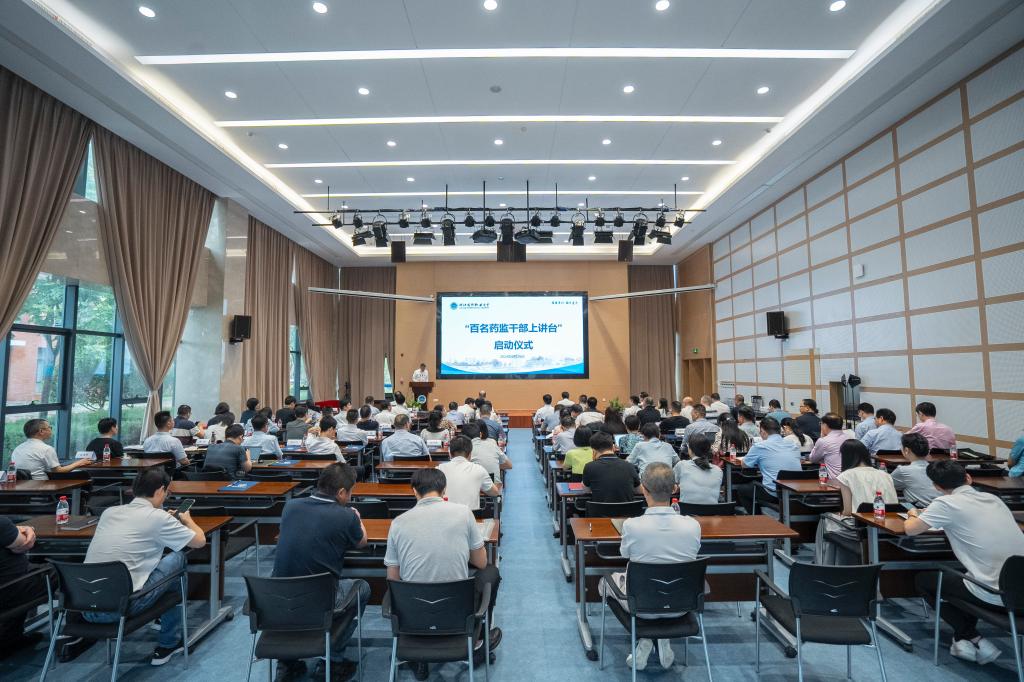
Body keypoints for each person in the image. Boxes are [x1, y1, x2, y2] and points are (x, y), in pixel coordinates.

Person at [384, 468, 501, 679]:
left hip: (413, 615)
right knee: (490, 573)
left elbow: (393, 578)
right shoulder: (463, 513)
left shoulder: (398, 522)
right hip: (457, 611)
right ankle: (477, 640)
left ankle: (419, 656)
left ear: (414, 491)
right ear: (444, 489)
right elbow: (481, 562)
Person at [83, 467, 206, 665]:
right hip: (123, 607)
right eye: (167, 492)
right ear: (160, 490)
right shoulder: (159, 518)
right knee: (177, 558)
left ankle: (162, 618)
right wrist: (186, 519)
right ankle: (170, 641)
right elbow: (199, 541)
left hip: (85, 606)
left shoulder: (109, 512)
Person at [908, 460, 1024, 666]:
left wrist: (912, 514)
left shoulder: (945, 504)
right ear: (968, 478)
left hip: (1000, 595)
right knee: (965, 575)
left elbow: (911, 529)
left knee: (925, 581)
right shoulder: (993, 499)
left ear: (936, 486)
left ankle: (971, 636)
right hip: (1019, 586)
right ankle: (963, 639)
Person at [599, 462, 701, 671]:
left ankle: (647, 638)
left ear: (643, 489)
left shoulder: (632, 525)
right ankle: (659, 639)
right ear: (675, 489)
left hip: (641, 607)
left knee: (603, 583)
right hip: (682, 605)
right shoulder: (693, 525)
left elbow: (624, 554)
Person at [273, 463, 369, 681]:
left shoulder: (290, 506)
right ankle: (333, 659)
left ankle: (287, 662)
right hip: (319, 599)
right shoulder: (346, 516)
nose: (351, 497)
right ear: (342, 492)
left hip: (276, 597)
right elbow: (362, 542)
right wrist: (357, 517)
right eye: (350, 492)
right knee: (362, 588)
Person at [734, 417, 802, 514]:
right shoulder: (793, 445)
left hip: (774, 492)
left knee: (742, 489)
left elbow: (745, 465)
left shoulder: (760, 446)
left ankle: (757, 517)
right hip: (796, 491)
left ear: (762, 431)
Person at [0, 515, 46, 657]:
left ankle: (11, 638)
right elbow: (24, 544)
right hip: (10, 590)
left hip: (9, 585)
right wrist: (28, 529)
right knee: (59, 573)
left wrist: (19, 529)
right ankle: (77, 634)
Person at [9, 419, 89, 480]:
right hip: (42, 486)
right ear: (41, 431)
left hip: (22, 486)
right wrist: (78, 463)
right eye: (49, 427)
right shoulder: (46, 449)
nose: (51, 430)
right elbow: (58, 471)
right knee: (83, 475)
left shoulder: (18, 448)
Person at [438, 435, 501, 511]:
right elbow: (495, 492)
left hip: (445, 515)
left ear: (450, 454)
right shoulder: (479, 469)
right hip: (471, 516)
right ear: (470, 454)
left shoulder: (439, 469)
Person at [835, 440, 897, 514]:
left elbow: (848, 511)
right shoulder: (886, 475)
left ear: (845, 457)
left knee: (827, 516)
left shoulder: (845, 476)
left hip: (859, 520)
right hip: (889, 519)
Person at [582, 432, 639, 503]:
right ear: (613, 447)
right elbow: (639, 490)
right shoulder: (629, 466)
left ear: (593, 450)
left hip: (600, 509)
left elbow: (586, 490)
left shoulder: (589, 467)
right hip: (627, 510)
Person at [887, 432, 939, 507]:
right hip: (940, 509)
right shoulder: (936, 468)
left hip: (919, 510)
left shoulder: (903, 471)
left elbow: (886, 484)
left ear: (906, 450)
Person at [674, 432, 723, 505]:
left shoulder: (682, 465)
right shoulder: (718, 471)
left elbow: (670, 484)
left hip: (686, 511)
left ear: (690, 450)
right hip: (712, 511)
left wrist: (679, 487)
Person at [809, 413, 852, 480]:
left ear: (825, 425)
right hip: (851, 478)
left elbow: (813, 459)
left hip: (835, 481)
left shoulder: (823, 441)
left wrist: (821, 437)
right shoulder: (849, 437)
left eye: (821, 424)